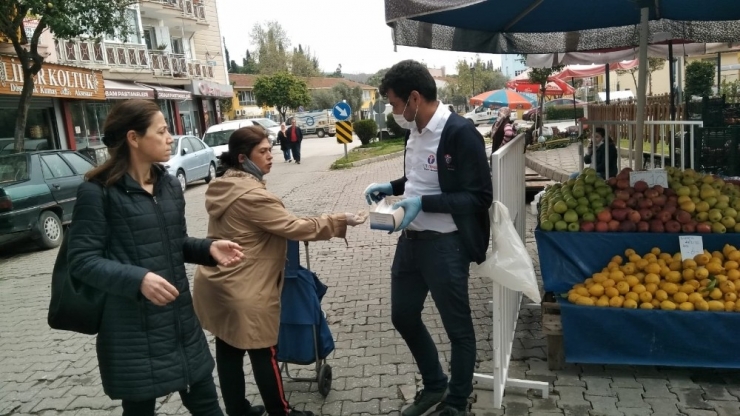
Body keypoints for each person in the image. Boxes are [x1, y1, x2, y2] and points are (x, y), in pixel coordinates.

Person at [66, 99, 247, 416]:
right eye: (162, 131)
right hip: (132, 333)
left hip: (180, 324)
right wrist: (138, 280)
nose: (170, 137)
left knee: (208, 406)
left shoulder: (167, 185)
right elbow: (81, 260)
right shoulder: (98, 192)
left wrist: (208, 249)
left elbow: (173, 242)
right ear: (133, 138)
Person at [193, 126, 367, 416]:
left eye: (270, 149)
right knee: (264, 352)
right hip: (246, 288)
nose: (271, 156)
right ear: (242, 158)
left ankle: (238, 410)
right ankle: (281, 412)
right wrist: (339, 220)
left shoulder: (223, 186)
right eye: (262, 151)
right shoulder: (252, 195)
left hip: (218, 283)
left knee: (229, 349)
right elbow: (294, 227)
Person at [363, 60, 493, 416]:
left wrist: (424, 203)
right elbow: (421, 178)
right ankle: (435, 384)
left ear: (414, 98)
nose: (393, 111)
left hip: (445, 245)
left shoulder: (460, 133)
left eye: (393, 103)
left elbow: (480, 197)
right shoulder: (415, 131)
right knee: (403, 316)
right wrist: (391, 187)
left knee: (459, 330)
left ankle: (457, 402)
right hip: (410, 242)